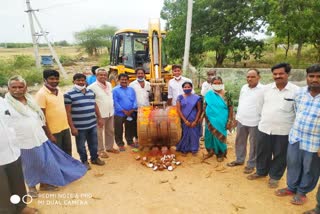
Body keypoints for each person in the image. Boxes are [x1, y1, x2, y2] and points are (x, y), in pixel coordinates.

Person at [5, 75, 87, 199]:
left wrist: (48, 134)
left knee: (45, 162)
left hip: (40, 138)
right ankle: (32, 187)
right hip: (23, 142)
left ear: (25, 88)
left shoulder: (30, 101)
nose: (17, 90)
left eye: (20, 87)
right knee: (30, 165)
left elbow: (41, 118)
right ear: (8, 88)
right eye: (14, 87)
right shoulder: (6, 105)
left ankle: (44, 184)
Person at [247, 63, 299, 189]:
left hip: (284, 130)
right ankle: (261, 172)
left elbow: (297, 112)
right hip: (264, 127)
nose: (278, 76)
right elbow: (260, 107)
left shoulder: (296, 91)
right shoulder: (266, 89)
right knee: (262, 152)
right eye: (275, 74)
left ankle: (275, 177)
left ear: (288, 74)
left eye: (281, 73)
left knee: (280, 155)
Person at [275, 64, 320, 205]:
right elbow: (296, 112)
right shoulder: (299, 93)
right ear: (306, 77)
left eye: (318, 77)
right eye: (311, 76)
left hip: (314, 143)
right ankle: (291, 187)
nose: (314, 79)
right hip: (296, 138)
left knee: (310, 169)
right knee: (293, 164)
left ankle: (302, 192)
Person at [0, 97, 38, 214]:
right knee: (3, 190)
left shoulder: (2, 101)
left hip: (12, 151)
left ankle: (21, 207)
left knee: (17, 183)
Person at [64, 73, 105, 170]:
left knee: (94, 143)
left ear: (85, 81)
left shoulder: (90, 92)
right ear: (73, 81)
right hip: (79, 126)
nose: (81, 82)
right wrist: (72, 127)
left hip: (92, 124)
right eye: (78, 80)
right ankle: (84, 161)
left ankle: (94, 158)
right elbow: (68, 112)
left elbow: (94, 105)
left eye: (83, 80)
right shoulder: (68, 94)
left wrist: (99, 118)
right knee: (81, 146)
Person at [227, 69, 264, 174]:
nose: (249, 79)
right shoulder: (244, 87)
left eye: (252, 77)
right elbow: (241, 102)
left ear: (258, 77)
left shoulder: (263, 89)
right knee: (239, 141)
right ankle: (239, 159)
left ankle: (251, 164)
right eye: (248, 77)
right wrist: (236, 118)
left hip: (256, 121)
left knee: (254, 144)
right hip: (242, 120)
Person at [35, 69, 72, 155]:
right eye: (51, 79)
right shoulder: (41, 94)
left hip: (64, 128)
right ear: (45, 80)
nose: (55, 81)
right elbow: (41, 117)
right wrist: (49, 134)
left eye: (56, 78)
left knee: (67, 153)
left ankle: (68, 169)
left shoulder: (58, 90)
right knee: (57, 155)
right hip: (53, 132)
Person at [87, 68, 119, 158]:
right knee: (99, 134)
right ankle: (100, 151)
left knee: (110, 131)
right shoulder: (91, 87)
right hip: (99, 115)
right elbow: (91, 102)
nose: (103, 76)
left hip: (110, 112)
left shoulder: (109, 84)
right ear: (96, 76)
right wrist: (97, 116)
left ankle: (109, 147)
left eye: (104, 75)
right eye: (100, 75)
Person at [203, 76, 234, 162]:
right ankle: (210, 151)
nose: (217, 85)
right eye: (215, 83)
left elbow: (231, 108)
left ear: (222, 84)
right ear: (211, 84)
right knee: (208, 136)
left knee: (219, 135)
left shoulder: (227, 94)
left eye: (219, 83)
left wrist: (230, 120)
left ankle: (220, 153)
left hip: (221, 119)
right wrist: (203, 116)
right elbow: (205, 106)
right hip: (209, 119)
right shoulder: (208, 94)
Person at [113, 73, 138, 151]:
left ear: (128, 80)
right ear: (119, 80)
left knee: (129, 128)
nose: (124, 81)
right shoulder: (115, 90)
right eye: (122, 79)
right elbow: (115, 102)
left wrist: (132, 109)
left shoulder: (131, 89)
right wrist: (123, 110)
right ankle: (120, 144)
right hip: (119, 113)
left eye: (125, 79)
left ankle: (130, 141)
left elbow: (134, 100)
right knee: (118, 129)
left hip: (130, 113)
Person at [176, 82, 202, 155]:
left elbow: (199, 109)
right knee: (184, 134)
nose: (187, 88)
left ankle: (194, 149)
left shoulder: (196, 97)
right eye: (185, 87)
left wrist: (195, 121)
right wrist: (185, 121)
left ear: (191, 88)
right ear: (183, 88)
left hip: (194, 119)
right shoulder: (179, 97)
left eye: (188, 87)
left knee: (194, 134)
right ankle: (185, 149)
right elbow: (179, 110)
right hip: (184, 119)